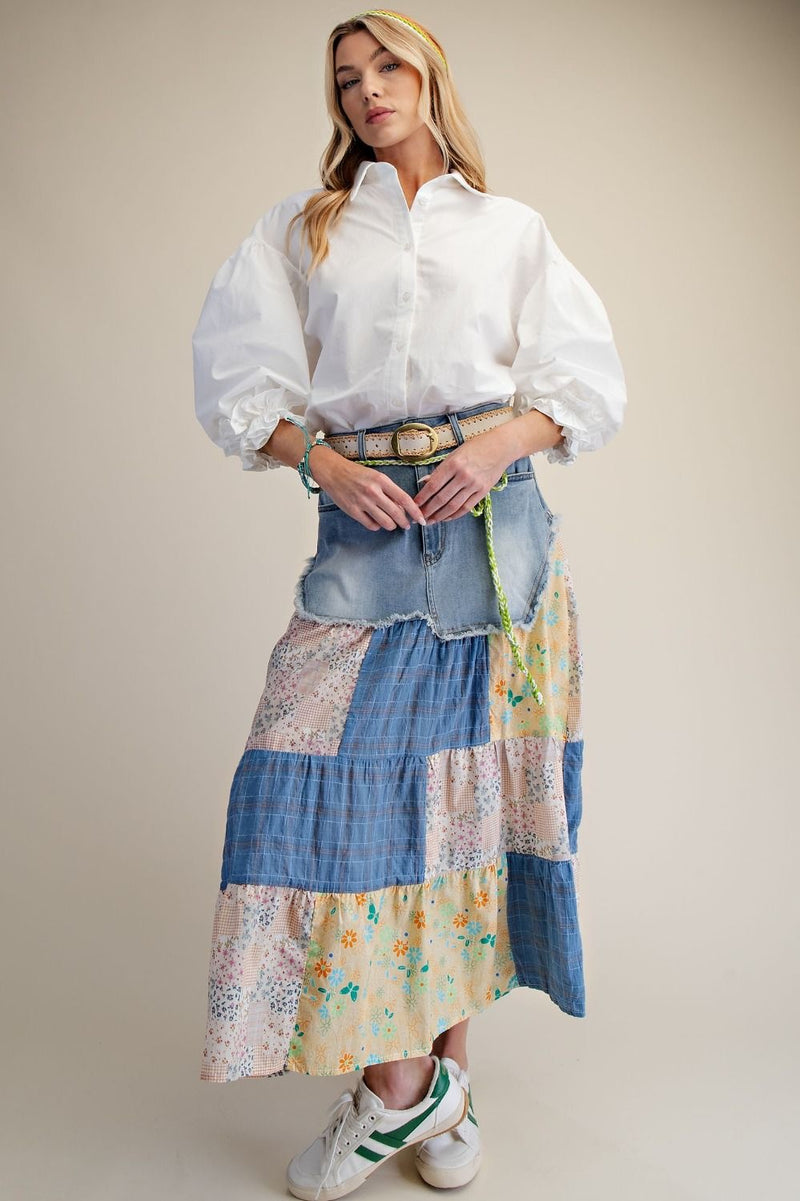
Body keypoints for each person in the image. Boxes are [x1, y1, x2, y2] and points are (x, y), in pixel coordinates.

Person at [191, 10, 626, 1200]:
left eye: (387, 65)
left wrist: (498, 444)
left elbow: (583, 383)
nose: (367, 90)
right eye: (345, 78)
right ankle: (398, 1087)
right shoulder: (306, 226)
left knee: (458, 811)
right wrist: (322, 462)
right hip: (366, 537)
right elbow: (236, 382)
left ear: (430, 74)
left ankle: (442, 1090)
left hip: (493, 541)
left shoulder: (509, 229)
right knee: (307, 786)